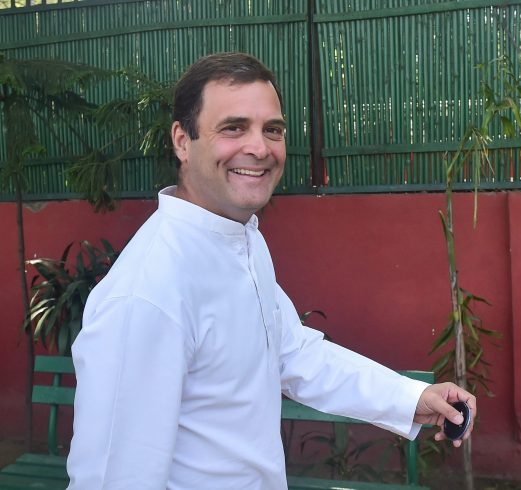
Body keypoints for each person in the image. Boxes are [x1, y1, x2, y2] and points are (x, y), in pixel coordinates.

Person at [66, 52, 476, 490]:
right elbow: (113, 479)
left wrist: (410, 398)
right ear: (182, 141)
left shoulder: (241, 240)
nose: (260, 149)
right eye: (233, 128)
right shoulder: (148, 291)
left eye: (272, 130)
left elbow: (292, 353)